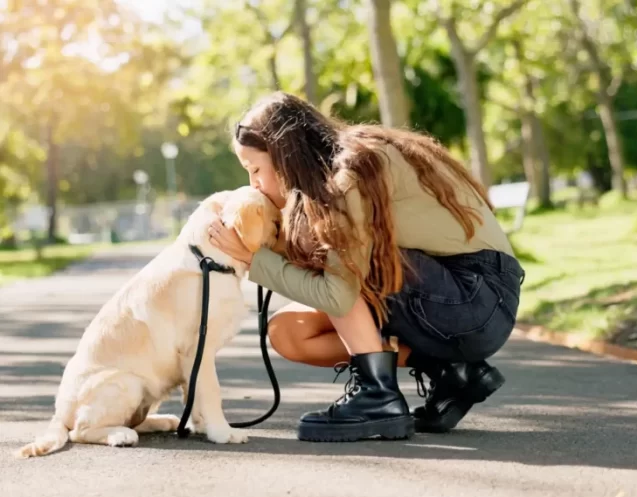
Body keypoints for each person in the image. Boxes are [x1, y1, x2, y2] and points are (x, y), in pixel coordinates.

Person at [208, 92, 524, 443]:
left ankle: (378, 399)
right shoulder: (338, 172)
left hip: (476, 298)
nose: (254, 184)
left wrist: (254, 261)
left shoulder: (349, 175)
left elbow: (339, 295)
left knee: (339, 262)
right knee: (289, 332)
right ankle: (452, 371)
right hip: (461, 299)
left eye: (255, 170)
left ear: (284, 154)